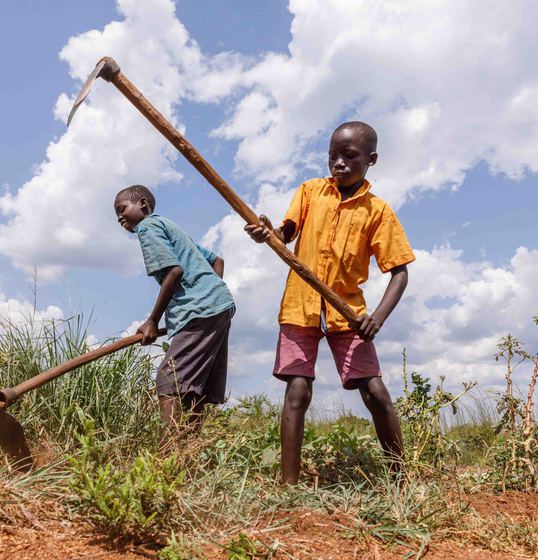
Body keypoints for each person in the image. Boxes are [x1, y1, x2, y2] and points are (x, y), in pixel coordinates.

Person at [245, 121, 415, 484]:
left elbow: (399, 273)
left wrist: (376, 318)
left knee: (375, 392)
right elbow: (286, 233)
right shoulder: (310, 191)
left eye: (349, 156)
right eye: (333, 156)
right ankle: (289, 485)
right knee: (297, 390)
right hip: (299, 305)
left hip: (348, 313)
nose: (339, 163)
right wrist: (269, 233)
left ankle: (400, 480)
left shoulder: (377, 211)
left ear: (371, 160)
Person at [114, 184, 235, 443]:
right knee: (193, 389)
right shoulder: (168, 225)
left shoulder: (147, 227)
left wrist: (152, 320)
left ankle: (167, 456)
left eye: (122, 209)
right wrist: (212, 291)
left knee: (168, 381)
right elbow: (217, 261)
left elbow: (174, 271)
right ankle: (189, 454)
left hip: (201, 310)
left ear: (143, 204)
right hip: (219, 306)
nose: (120, 217)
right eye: (117, 214)